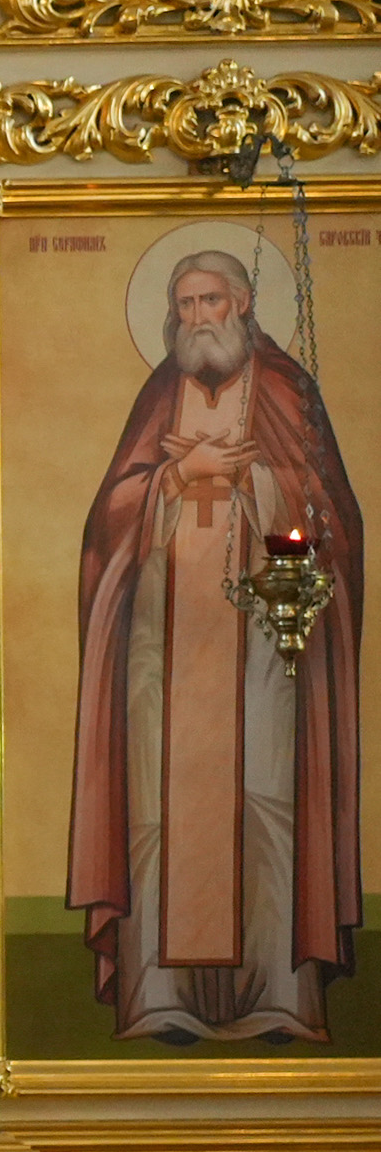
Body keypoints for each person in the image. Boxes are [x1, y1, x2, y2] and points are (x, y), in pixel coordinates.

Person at [70, 249, 360, 1040]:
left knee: (267, 803)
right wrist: (173, 479)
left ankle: (278, 997)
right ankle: (160, 997)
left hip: (266, 645)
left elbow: (329, 513)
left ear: (243, 305)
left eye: (210, 301)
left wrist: (254, 484)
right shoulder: (157, 396)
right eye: (185, 304)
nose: (197, 317)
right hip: (159, 648)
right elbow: (107, 521)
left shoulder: (286, 391)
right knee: (156, 816)